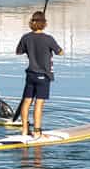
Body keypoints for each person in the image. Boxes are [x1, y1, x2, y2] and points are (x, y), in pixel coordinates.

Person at [16, 11, 63, 139]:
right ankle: (37, 132)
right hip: (43, 76)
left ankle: (25, 130)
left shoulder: (26, 37)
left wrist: (30, 48)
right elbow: (60, 52)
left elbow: (18, 52)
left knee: (26, 102)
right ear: (44, 24)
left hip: (30, 74)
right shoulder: (48, 39)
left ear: (32, 23)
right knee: (39, 104)